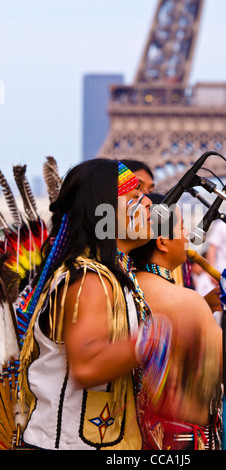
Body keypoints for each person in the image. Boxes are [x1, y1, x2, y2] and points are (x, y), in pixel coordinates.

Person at [17, 158, 155, 450]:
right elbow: (88, 365)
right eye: (133, 198)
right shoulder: (89, 280)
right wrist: (159, 340)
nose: (147, 204)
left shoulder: (112, 277)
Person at [129, 194, 223, 450]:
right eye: (181, 228)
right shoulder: (187, 301)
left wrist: (204, 306)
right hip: (181, 441)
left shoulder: (122, 291)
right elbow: (218, 374)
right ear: (162, 242)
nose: (187, 236)